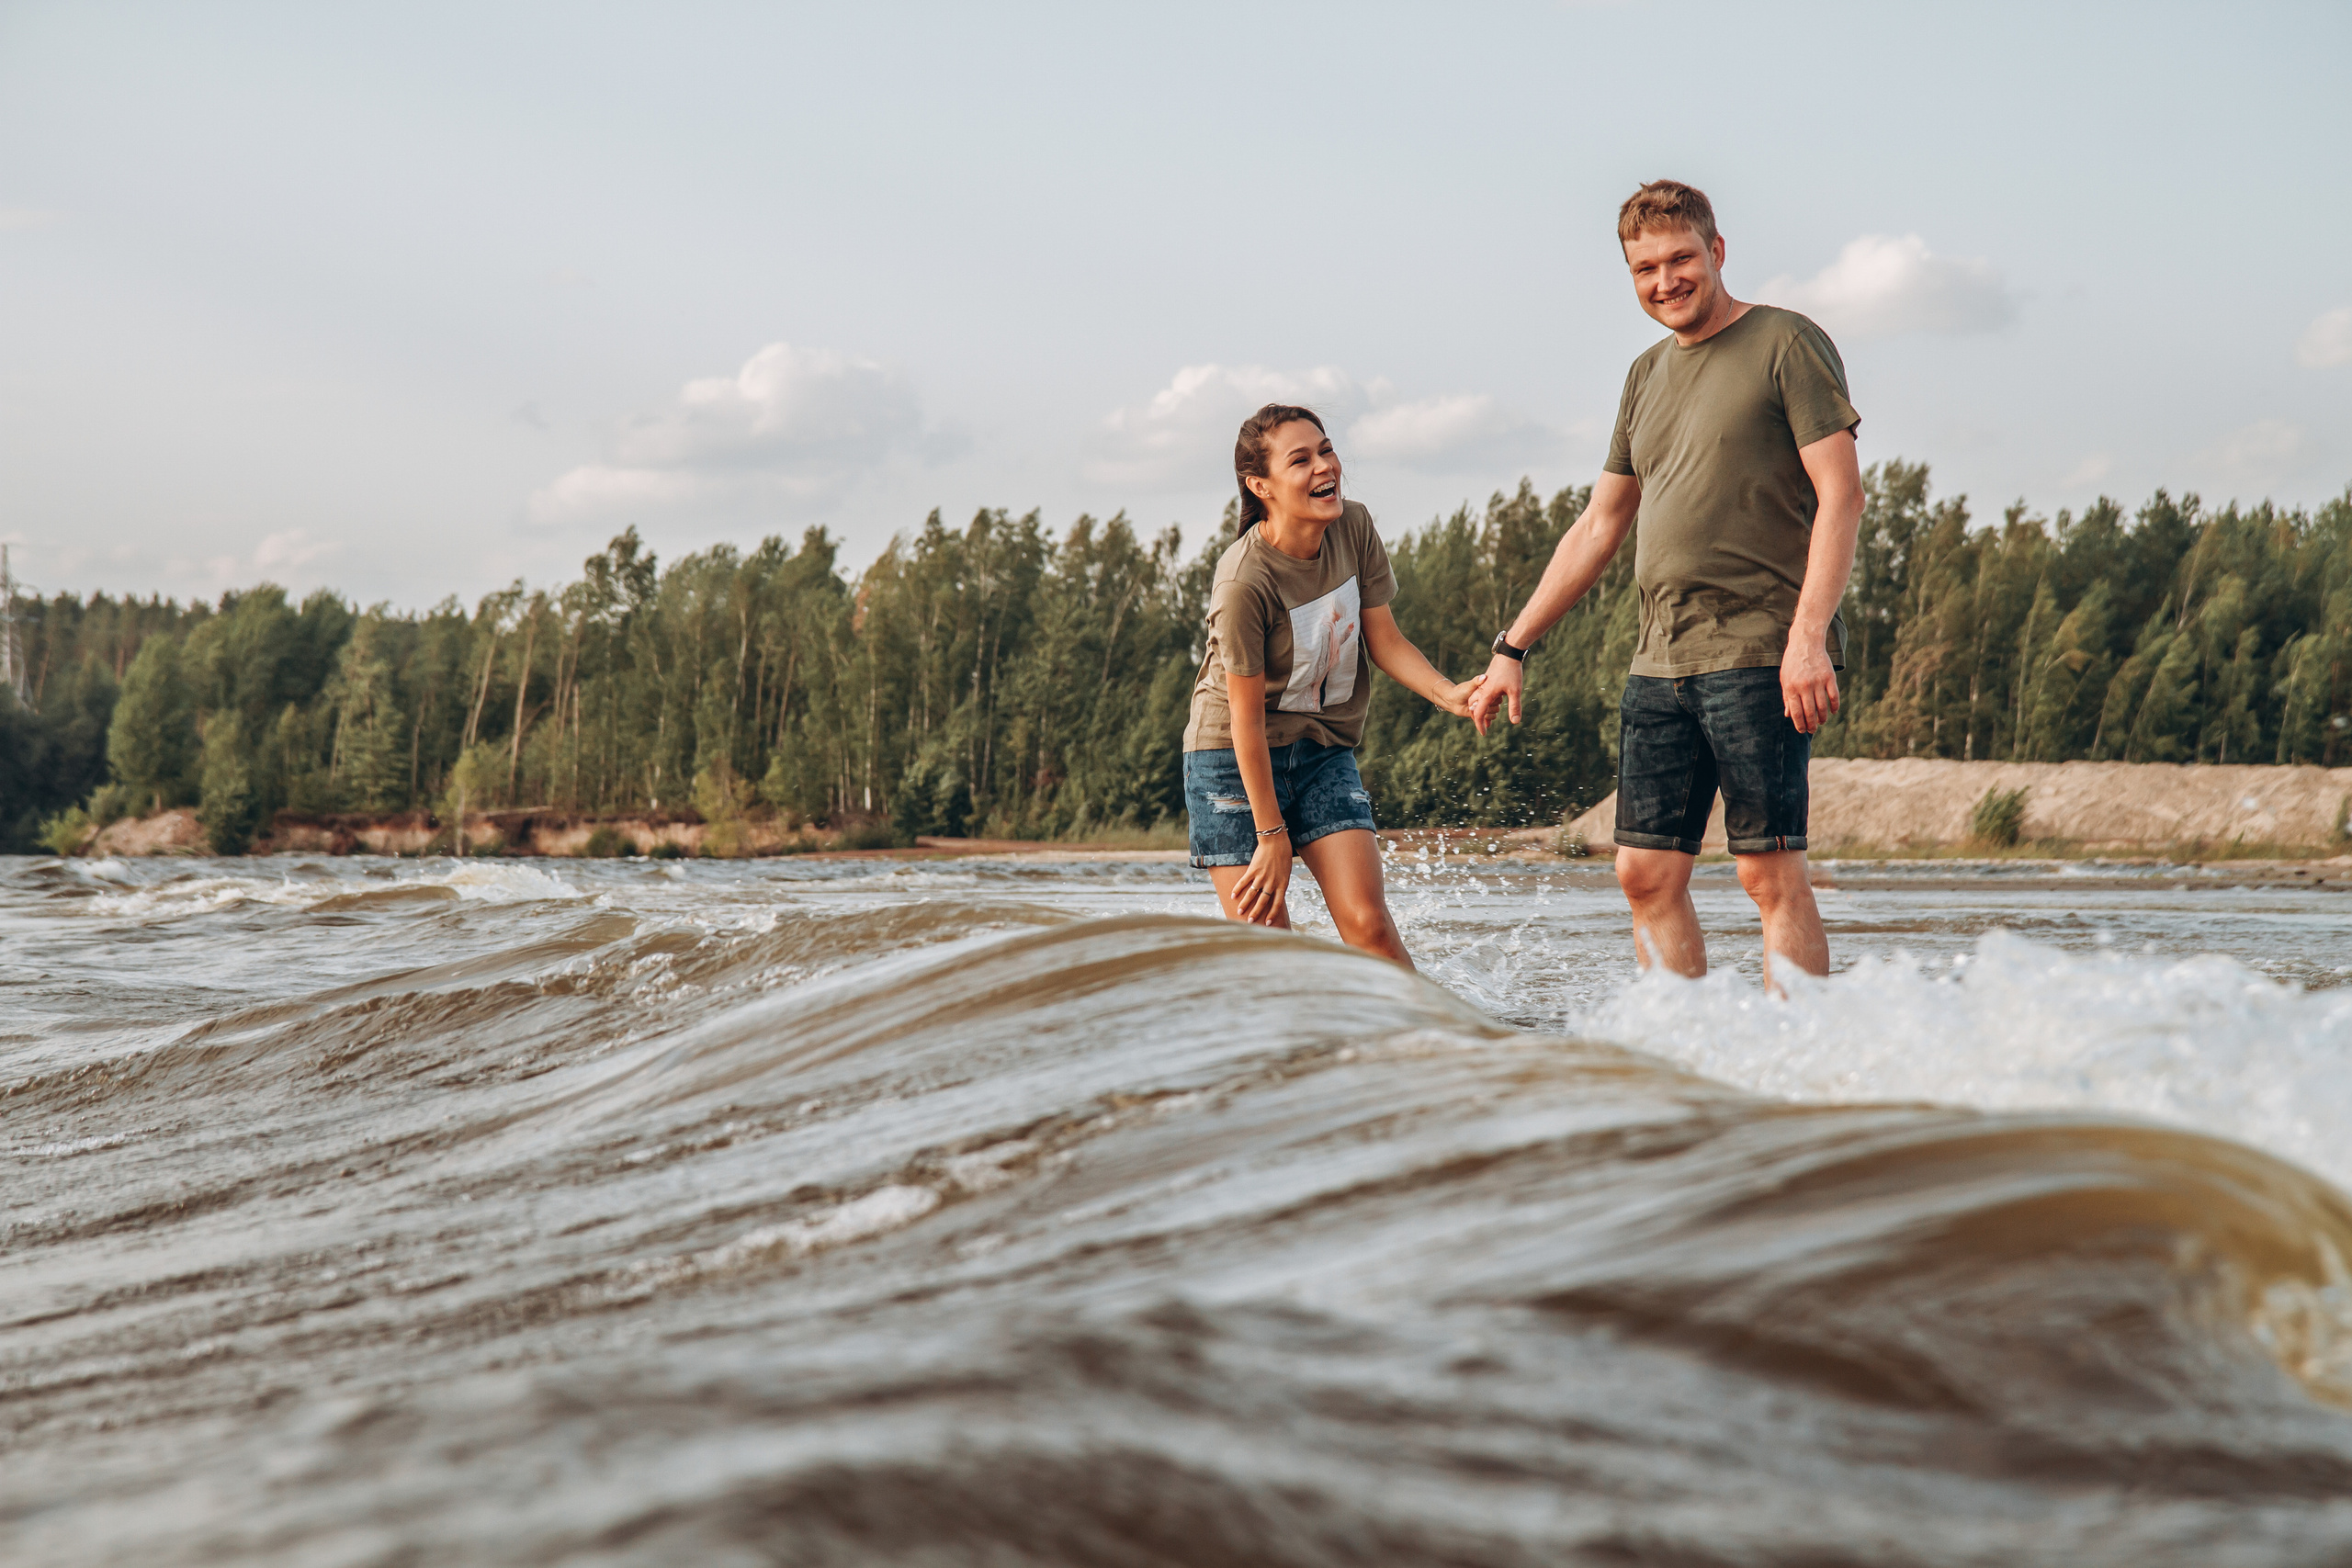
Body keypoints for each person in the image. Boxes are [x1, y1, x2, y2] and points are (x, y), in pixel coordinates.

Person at [1469, 179, 1864, 991]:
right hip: (1660, 662)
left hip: (1762, 652)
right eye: (1644, 268)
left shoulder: (1785, 342)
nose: (1665, 280)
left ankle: (1798, 1060)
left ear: (1716, 253)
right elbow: (1599, 525)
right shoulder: (1645, 375)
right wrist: (1513, 645)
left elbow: (1843, 494)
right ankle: (1685, 1053)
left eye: (1681, 259)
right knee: (1644, 873)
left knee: (1767, 872)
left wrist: (1807, 637)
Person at [1184, 403, 1482, 970]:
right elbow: (1245, 721)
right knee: (1271, 947)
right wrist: (1271, 834)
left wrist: (1450, 695)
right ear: (1261, 486)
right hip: (1230, 760)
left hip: (1322, 749)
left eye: (1326, 450)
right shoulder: (1244, 581)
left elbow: (1385, 639)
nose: (1325, 466)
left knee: (1369, 924)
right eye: (1301, 459)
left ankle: (1425, 1047)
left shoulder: (1354, 526)